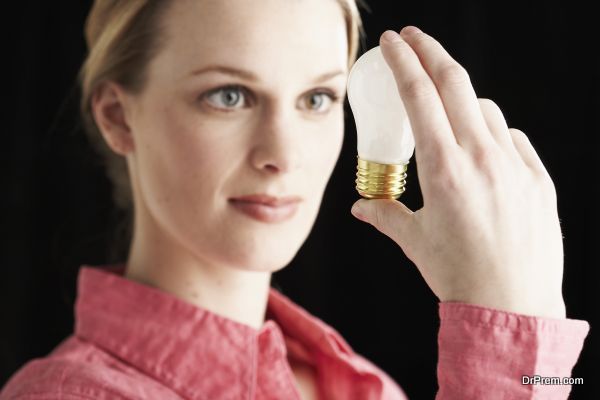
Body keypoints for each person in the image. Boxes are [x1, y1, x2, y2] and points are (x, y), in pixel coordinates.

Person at [0, 0, 589, 399]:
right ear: (117, 117)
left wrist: (530, 349)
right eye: (228, 96)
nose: (282, 155)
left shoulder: (365, 387)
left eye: (316, 99)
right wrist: (513, 343)